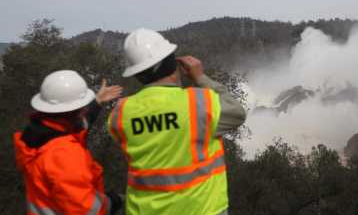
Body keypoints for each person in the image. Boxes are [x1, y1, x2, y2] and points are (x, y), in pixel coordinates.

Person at [107, 28, 246, 215]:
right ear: (172, 65)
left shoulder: (121, 112)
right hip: (202, 209)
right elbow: (237, 112)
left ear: (137, 73)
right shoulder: (199, 103)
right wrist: (200, 77)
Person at [14, 70, 124, 215]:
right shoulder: (64, 154)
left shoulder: (36, 134)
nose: (85, 109)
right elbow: (87, 209)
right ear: (78, 112)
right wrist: (114, 201)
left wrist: (97, 102)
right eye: (82, 108)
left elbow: (77, 126)